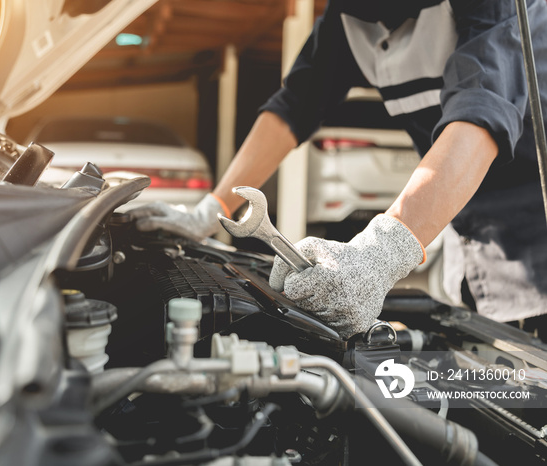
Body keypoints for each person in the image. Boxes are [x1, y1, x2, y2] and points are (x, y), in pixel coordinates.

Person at [129, 0, 547, 340]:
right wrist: (210, 210)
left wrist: (382, 251)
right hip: (472, 235)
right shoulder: (349, 18)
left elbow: (480, 116)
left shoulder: (495, 6)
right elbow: (293, 106)